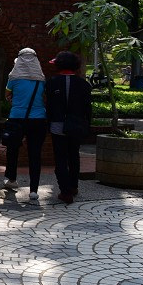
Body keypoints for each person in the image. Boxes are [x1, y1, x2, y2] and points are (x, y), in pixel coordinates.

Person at [46, 50, 92, 204]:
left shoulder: (52, 83)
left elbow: (49, 107)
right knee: (74, 156)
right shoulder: (84, 85)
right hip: (76, 126)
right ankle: (73, 186)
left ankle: (65, 192)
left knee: (60, 159)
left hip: (57, 126)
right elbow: (88, 109)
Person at [2, 48, 47, 200]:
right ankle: (33, 190)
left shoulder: (13, 78)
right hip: (38, 119)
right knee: (35, 154)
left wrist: (15, 100)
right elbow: (44, 97)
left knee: (12, 148)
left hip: (17, 118)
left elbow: (7, 95)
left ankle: (11, 179)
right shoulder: (41, 79)